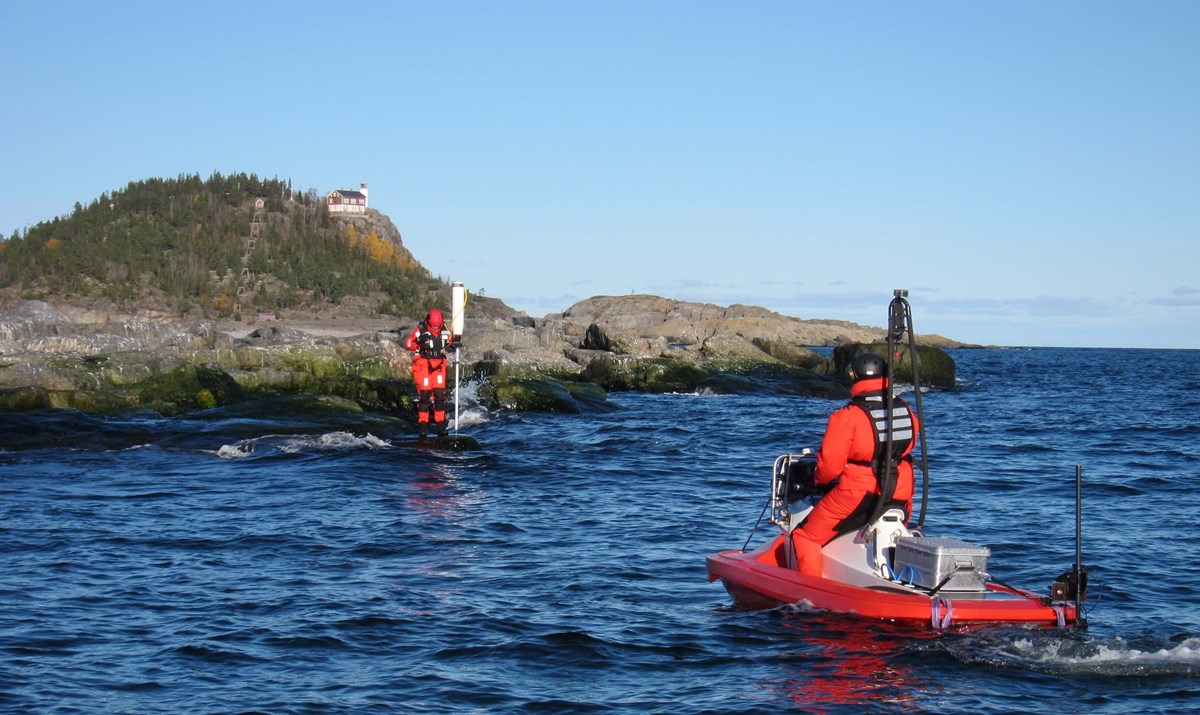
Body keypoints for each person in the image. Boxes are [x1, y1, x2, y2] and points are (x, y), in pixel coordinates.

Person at [791, 352, 919, 578]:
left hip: (858, 492)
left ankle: (810, 599)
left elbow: (830, 467)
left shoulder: (847, 417)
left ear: (853, 376)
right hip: (901, 492)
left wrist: (816, 480)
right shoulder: (906, 410)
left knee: (805, 537)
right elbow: (911, 443)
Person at [404, 308, 458, 438]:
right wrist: (419, 344)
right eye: (434, 325)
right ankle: (423, 427)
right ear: (428, 321)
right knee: (425, 396)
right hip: (423, 365)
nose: (435, 327)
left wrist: (453, 344)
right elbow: (408, 343)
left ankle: (440, 425)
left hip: (439, 365)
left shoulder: (445, 330)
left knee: (440, 396)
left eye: (437, 325)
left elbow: (450, 342)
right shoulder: (420, 330)